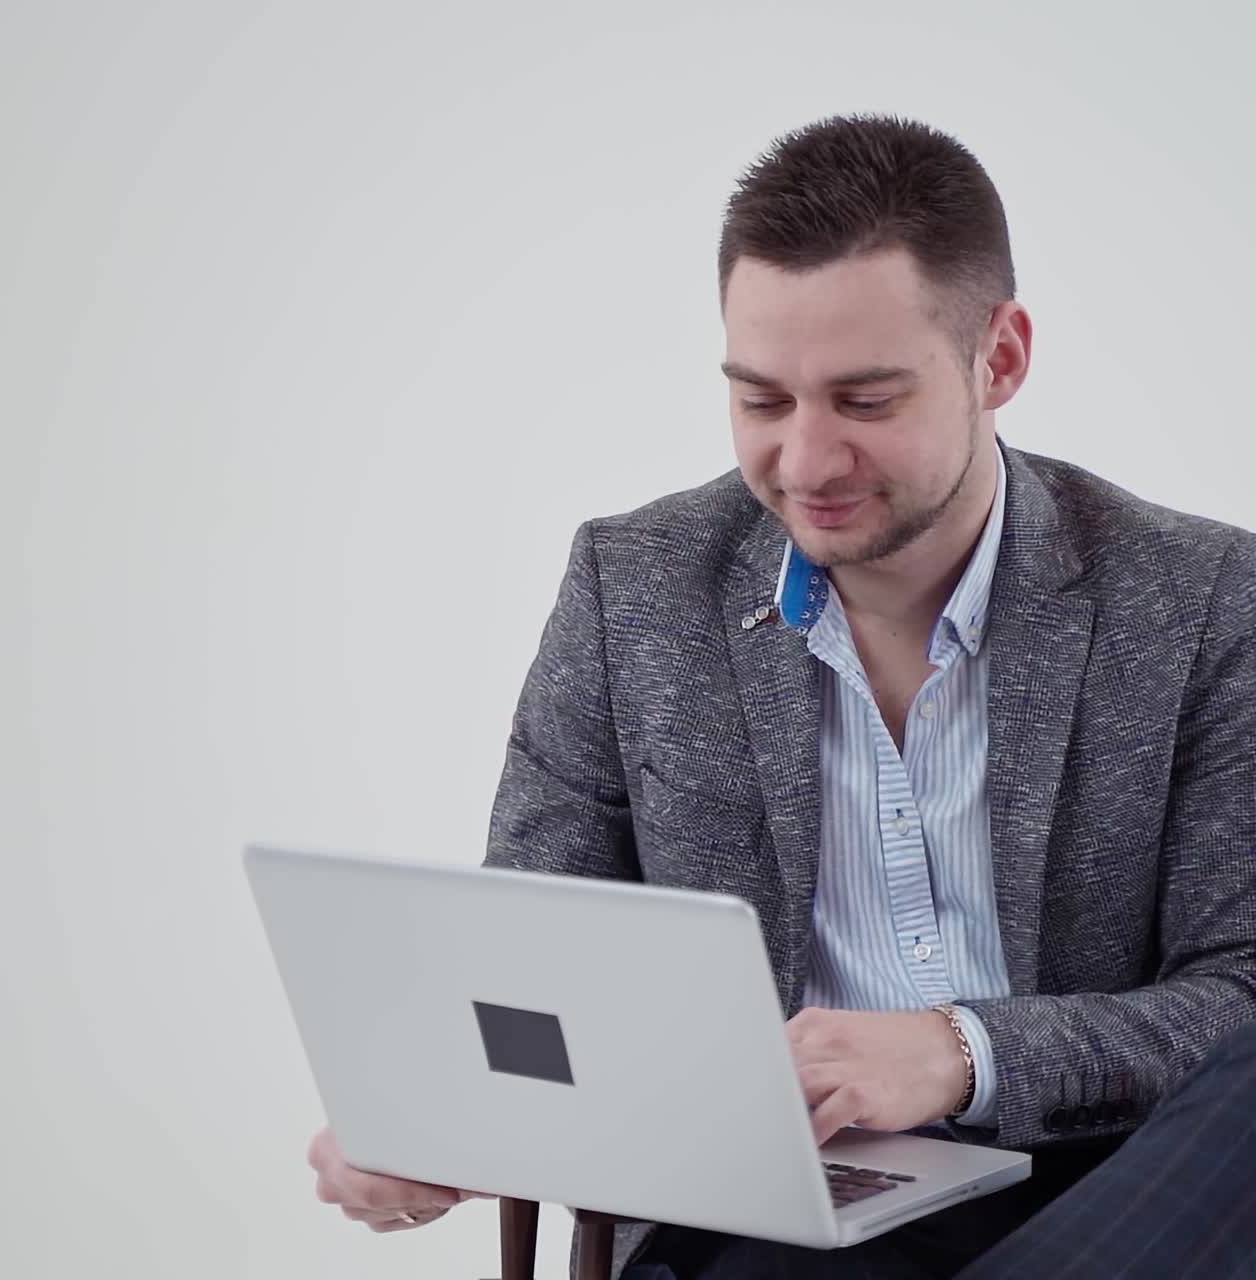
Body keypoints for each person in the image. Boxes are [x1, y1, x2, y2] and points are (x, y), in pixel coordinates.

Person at [306, 114, 1256, 1277]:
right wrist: (437, 1117)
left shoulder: (1204, 597)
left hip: (1120, 1184)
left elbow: (1236, 991)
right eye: (760, 399)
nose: (805, 462)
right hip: (781, 1202)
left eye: (864, 401)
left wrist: (961, 1051)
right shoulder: (634, 587)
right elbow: (532, 967)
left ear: (998, 359)